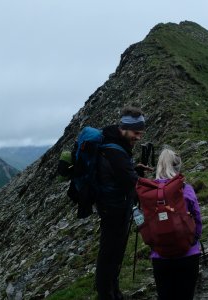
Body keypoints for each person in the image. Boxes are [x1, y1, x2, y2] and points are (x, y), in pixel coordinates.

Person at [75, 108, 148, 300]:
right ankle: (107, 295)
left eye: (141, 133)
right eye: (136, 133)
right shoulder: (115, 151)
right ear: (124, 128)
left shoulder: (112, 142)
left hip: (111, 205)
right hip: (115, 208)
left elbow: (115, 172)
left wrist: (133, 168)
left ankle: (113, 292)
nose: (138, 137)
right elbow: (131, 183)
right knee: (110, 254)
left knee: (112, 253)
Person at [132, 148, 207, 300]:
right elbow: (197, 218)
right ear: (178, 167)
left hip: (160, 256)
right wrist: (194, 238)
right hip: (188, 254)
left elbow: (141, 220)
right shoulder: (186, 189)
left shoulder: (147, 192)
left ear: (159, 167)